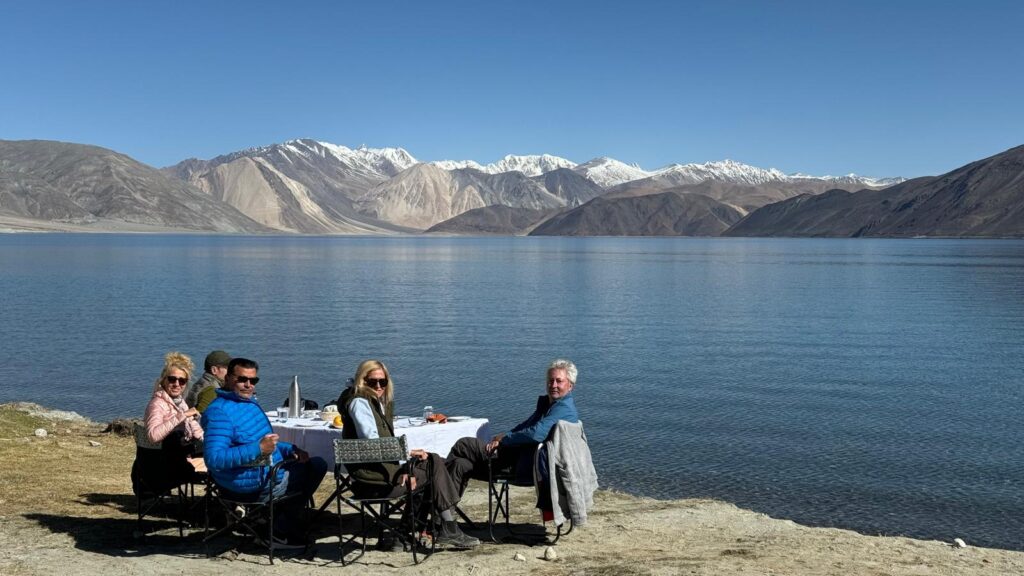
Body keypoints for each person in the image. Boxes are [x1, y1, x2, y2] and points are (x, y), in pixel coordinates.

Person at [338, 359, 480, 549]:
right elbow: (371, 443)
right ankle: (444, 527)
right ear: (361, 381)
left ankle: (407, 534)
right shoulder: (360, 403)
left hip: (376, 473)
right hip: (371, 481)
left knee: (432, 462)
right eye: (373, 382)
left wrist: (404, 465)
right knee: (432, 467)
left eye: (383, 382)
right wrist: (406, 454)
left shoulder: (371, 401)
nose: (379, 386)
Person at [201, 357, 328, 547]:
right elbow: (214, 459)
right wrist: (258, 449)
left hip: (260, 474)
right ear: (227, 378)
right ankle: (278, 529)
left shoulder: (247, 404)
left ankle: (273, 521)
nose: (248, 385)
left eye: (253, 381)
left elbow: (268, 443)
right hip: (247, 486)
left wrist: (291, 449)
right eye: (242, 379)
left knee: (310, 463)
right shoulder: (220, 412)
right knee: (316, 467)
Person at [445, 359, 580, 515]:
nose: (553, 385)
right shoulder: (549, 406)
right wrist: (504, 436)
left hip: (521, 466)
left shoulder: (563, 409)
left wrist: (503, 440)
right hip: (517, 459)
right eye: (550, 381)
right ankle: (445, 520)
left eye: (559, 381)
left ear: (570, 386)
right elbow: (525, 427)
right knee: (460, 464)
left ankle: (434, 506)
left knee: (463, 445)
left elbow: (536, 434)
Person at [143, 351, 204, 447]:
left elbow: (197, 431)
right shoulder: (157, 404)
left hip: (181, 452)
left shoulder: (180, 403)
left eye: (182, 381)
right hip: (162, 458)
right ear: (164, 381)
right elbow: (153, 436)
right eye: (172, 379)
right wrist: (183, 415)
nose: (177, 384)